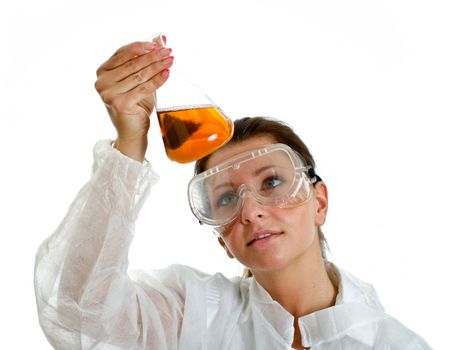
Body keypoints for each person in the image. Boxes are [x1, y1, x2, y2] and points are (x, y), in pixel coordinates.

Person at [34, 38, 432, 350]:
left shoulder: (395, 345)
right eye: (225, 198)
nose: (250, 211)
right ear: (223, 240)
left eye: (272, 182)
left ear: (320, 203)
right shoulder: (194, 315)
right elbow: (77, 318)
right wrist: (130, 142)